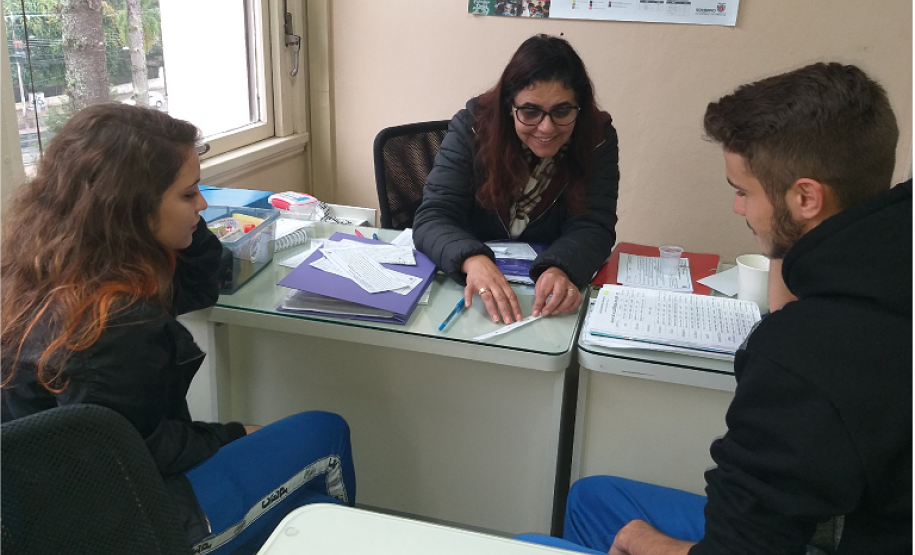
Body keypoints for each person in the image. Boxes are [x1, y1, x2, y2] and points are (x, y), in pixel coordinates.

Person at [521, 62, 912, 554]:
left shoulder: (801, 360)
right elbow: (789, 311)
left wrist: (642, 540)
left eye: (743, 192)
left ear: (807, 196)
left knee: (527, 542)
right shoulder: (890, 242)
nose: (738, 208)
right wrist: (791, 234)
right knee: (590, 498)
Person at [0, 103, 357, 555]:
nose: (202, 204)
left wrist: (181, 222)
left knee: (300, 497)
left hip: (54, 498)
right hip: (123, 521)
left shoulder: (54, 266)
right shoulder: (114, 320)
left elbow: (199, 287)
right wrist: (233, 434)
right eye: (188, 195)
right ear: (132, 207)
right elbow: (141, 452)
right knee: (324, 432)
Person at [413, 34, 619, 324]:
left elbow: (594, 225)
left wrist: (561, 268)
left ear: (580, 107)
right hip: (469, 287)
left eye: (562, 111)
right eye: (530, 111)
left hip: (544, 294)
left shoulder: (597, 138)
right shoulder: (472, 128)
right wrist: (472, 259)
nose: (546, 128)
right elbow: (434, 216)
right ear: (509, 106)